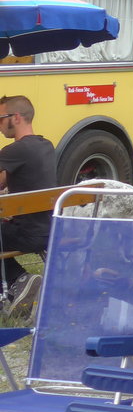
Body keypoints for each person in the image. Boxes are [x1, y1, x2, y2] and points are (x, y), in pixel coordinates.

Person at [0, 95, 57, 314]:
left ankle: (19, 280)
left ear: (15, 118)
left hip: (29, 234)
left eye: (0, 119)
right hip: (50, 230)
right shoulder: (45, 146)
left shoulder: (16, 150)